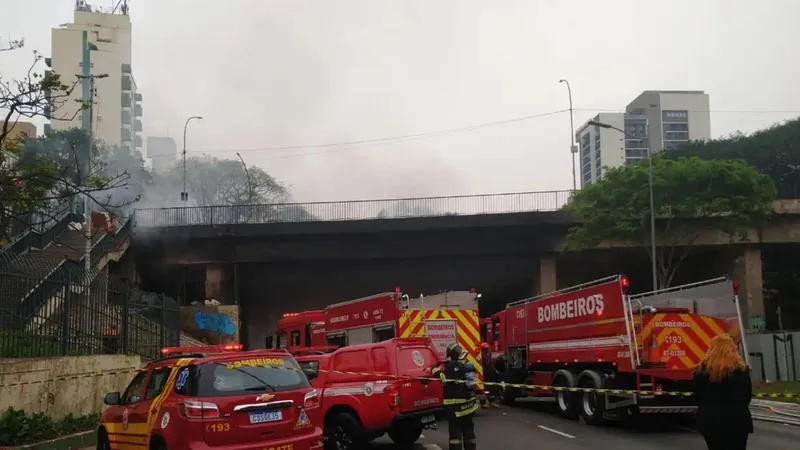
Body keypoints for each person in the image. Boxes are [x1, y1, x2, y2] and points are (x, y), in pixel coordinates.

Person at [693, 334, 753, 450]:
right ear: (733, 349)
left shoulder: (701, 371)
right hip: (738, 420)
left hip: (710, 421)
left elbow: (697, 397)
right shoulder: (742, 370)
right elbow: (747, 396)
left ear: (711, 349)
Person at [432, 343, 479, 450]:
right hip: (469, 406)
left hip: (455, 408)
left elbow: (443, 378)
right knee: (469, 432)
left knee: (455, 435)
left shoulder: (451, 367)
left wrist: (434, 368)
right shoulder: (467, 364)